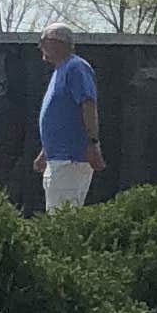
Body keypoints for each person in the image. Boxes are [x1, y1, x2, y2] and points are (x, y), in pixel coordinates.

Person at [35, 22, 102, 211]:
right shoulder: (60, 71)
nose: (40, 47)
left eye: (43, 41)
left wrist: (92, 143)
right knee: (60, 214)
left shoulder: (75, 68)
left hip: (70, 159)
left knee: (61, 218)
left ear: (57, 43)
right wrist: (45, 152)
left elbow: (88, 105)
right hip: (59, 158)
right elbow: (62, 116)